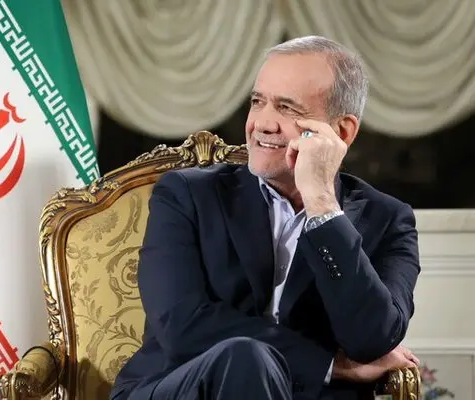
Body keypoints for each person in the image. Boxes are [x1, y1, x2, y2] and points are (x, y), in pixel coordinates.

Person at [110, 35, 421, 400]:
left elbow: (372, 339)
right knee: (245, 358)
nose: (262, 124)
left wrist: (322, 205)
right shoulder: (186, 195)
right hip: (183, 387)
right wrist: (326, 365)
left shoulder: (388, 219)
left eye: (287, 108)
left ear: (342, 131)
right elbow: (183, 325)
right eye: (258, 102)